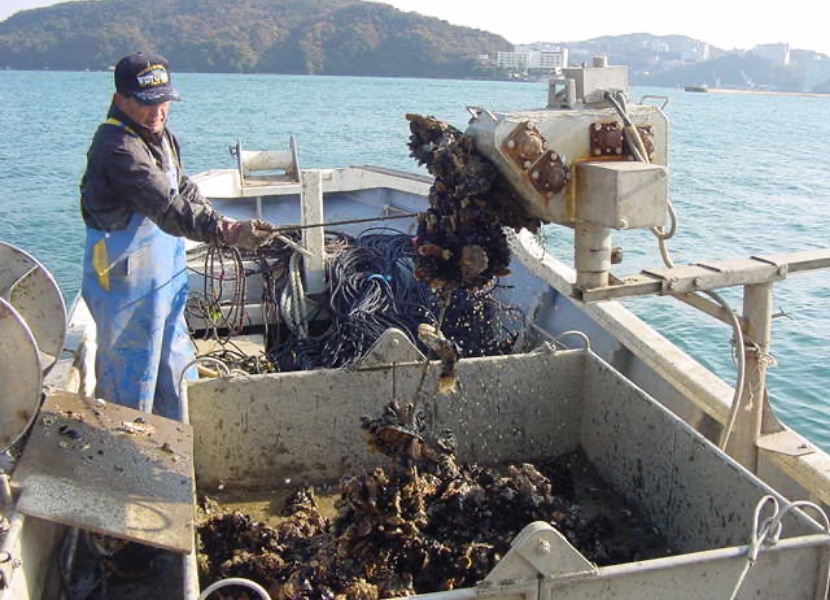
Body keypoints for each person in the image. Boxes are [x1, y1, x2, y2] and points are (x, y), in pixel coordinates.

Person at [80, 52, 274, 420]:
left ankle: (176, 435)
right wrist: (230, 232)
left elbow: (181, 187)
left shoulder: (160, 134)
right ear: (121, 100)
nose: (158, 112)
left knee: (173, 356)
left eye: (163, 101)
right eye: (145, 103)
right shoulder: (117, 148)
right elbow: (168, 208)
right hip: (125, 274)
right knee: (131, 365)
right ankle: (128, 445)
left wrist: (219, 218)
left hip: (164, 269)